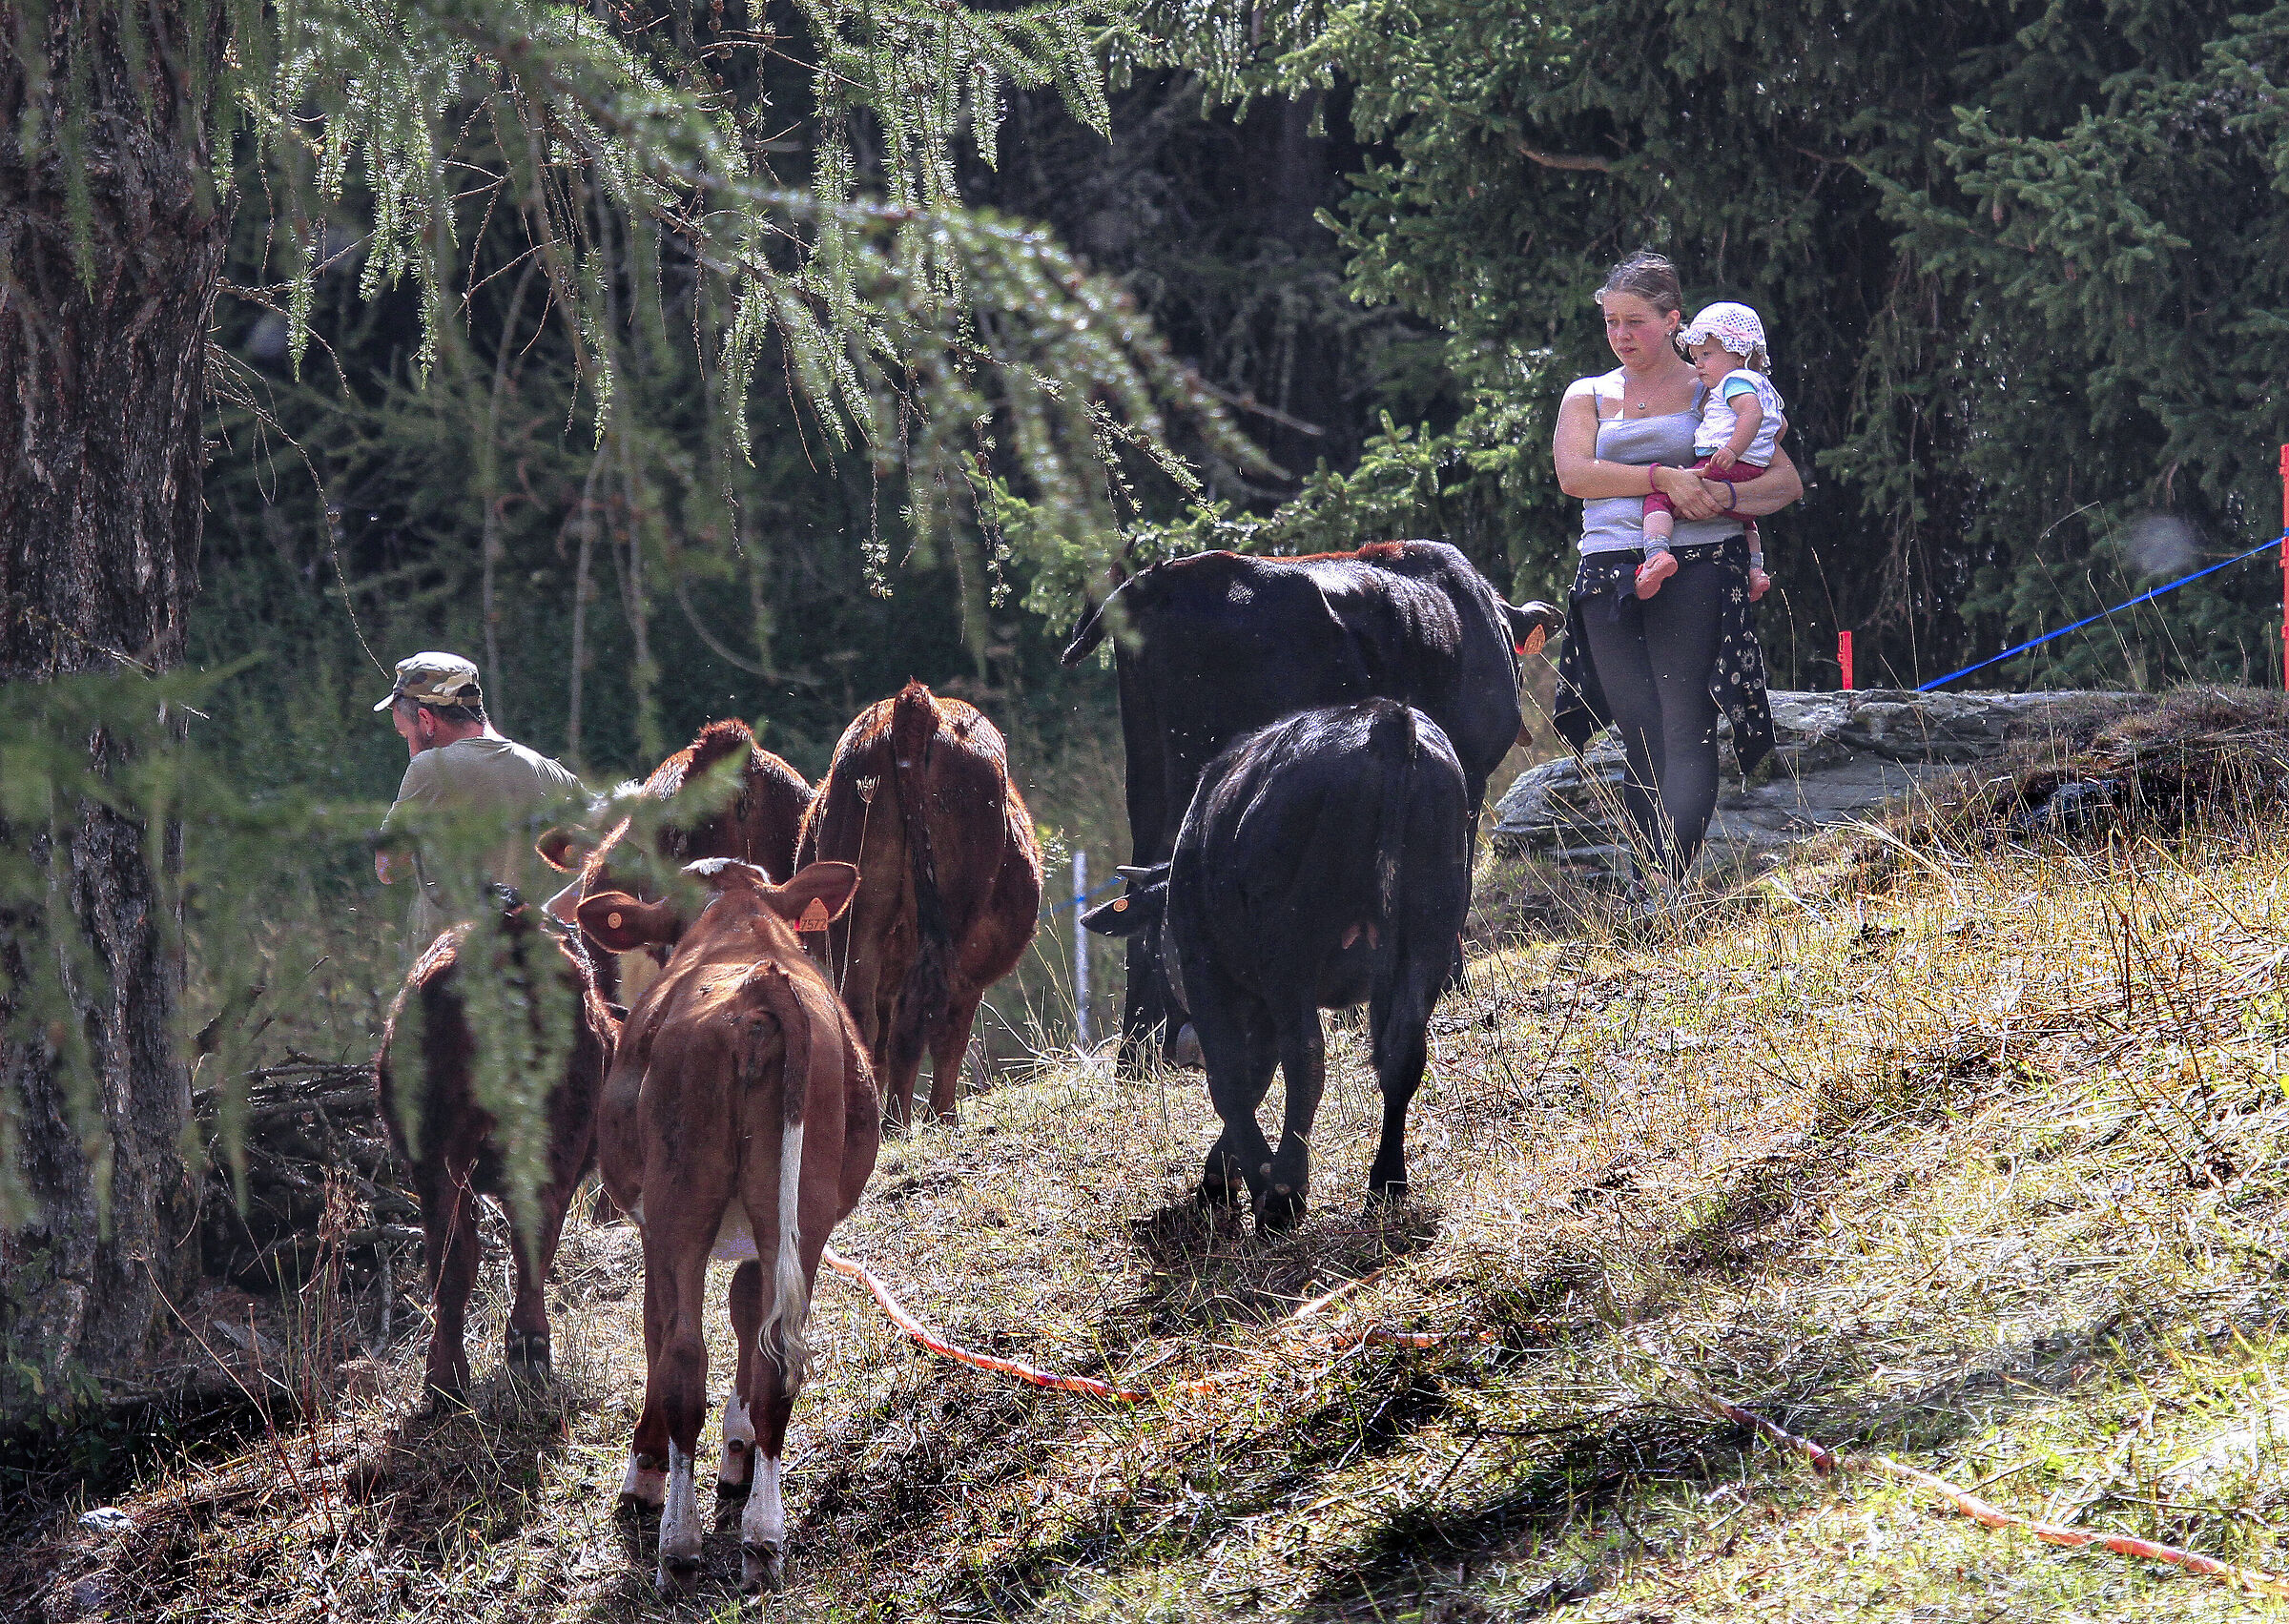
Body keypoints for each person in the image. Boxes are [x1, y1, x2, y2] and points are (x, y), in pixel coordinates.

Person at [1549, 251, 1804, 899]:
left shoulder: (1715, 388)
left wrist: (1722, 499)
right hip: (1610, 569)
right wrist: (1662, 477)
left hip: (1698, 564)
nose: (1621, 335)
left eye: (1636, 321)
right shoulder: (1587, 393)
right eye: (1610, 322)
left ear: (1674, 322)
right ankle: (1647, 871)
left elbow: (1784, 481)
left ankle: (1667, 880)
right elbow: (1575, 475)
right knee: (1636, 723)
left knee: (1684, 717)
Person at [373, 652, 586, 946]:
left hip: (455, 978)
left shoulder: (430, 768)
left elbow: (387, 868)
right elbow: (614, 858)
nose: (410, 750)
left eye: (405, 734)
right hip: (541, 975)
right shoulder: (552, 773)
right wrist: (548, 917)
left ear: (425, 720)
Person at [1637, 301, 1784, 601]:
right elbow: (1780, 426)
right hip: (1754, 468)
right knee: (1747, 521)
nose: (1699, 364)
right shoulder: (1764, 385)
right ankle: (1755, 571)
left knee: (1660, 498)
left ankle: (1656, 554)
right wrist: (1762, 451)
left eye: (1707, 354)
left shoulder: (1734, 382)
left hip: (1724, 462)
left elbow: (1751, 415)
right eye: (1695, 357)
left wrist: (1732, 450)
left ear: (1740, 351)